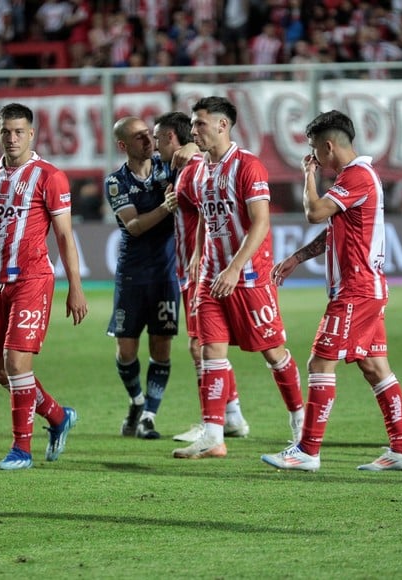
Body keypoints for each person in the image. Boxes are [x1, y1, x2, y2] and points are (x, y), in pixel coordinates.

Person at [261, 110, 402, 472]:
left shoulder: (357, 176)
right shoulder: (356, 179)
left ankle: (307, 450)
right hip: (366, 288)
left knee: (319, 362)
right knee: (375, 366)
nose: (314, 157)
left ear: (328, 146)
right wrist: (298, 257)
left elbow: (315, 212)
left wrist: (307, 175)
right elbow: (334, 229)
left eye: (315, 150)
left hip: (356, 291)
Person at [0, 102, 88, 470]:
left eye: (19, 131)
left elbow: (65, 236)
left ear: (32, 134)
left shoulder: (49, 176)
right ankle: (57, 417)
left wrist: (75, 287)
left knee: (15, 362)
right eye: (6, 131)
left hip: (33, 279)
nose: (12, 138)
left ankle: (21, 449)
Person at [172, 96, 305, 460]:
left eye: (199, 124)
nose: (193, 130)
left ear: (222, 125)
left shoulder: (248, 166)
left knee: (273, 353)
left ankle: (300, 421)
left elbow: (261, 222)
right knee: (209, 350)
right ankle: (214, 435)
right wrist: (200, 252)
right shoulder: (199, 170)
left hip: (247, 278)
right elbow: (203, 216)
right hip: (212, 278)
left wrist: (234, 267)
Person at [152, 111, 251, 445]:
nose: (153, 145)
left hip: (200, 268)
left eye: (157, 137)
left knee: (202, 346)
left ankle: (216, 421)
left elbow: (214, 215)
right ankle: (231, 415)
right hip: (189, 267)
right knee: (205, 347)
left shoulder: (196, 168)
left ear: (170, 138)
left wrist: (193, 151)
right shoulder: (182, 169)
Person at [105, 116, 181, 440]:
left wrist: (187, 147)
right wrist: (166, 207)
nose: (149, 142)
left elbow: (192, 150)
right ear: (123, 146)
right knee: (126, 350)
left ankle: (149, 415)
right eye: (139, 138)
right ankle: (136, 401)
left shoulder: (168, 170)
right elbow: (133, 227)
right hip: (132, 275)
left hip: (166, 274)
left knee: (162, 347)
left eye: (150, 135)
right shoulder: (116, 182)